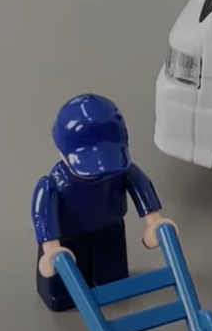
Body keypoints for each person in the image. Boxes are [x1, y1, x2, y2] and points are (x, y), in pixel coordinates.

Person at [31, 93, 176, 312]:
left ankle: (112, 286)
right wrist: (51, 248)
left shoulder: (120, 169)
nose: (101, 172)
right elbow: (43, 214)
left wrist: (153, 221)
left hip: (110, 228)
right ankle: (64, 296)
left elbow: (140, 185)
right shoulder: (53, 184)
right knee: (65, 280)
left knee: (112, 276)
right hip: (69, 236)